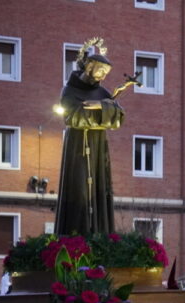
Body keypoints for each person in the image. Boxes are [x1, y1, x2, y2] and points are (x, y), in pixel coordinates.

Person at [55, 43, 126, 236]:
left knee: (99, 191)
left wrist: (99, 106)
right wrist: (103, 113)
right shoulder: (69, 90)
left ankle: (100, 236)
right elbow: (72, 117)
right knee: (79, 190)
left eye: (106, 73)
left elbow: (118, 117)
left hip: (98, 146)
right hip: (77, 146)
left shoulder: (102, 93)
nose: (103, 76)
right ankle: (76, 236)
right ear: (89, 67)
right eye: (101, 71)